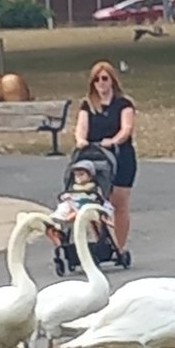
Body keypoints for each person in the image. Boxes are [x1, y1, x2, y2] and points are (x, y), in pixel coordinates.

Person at [74, 60, 136, 263]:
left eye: (104, 79)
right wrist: (81, 141)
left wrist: (114, 141)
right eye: (97, 80)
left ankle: (119, 245)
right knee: (93, 200)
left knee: (119, 202)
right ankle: (102, 241)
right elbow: (81, 129)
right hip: (95, 157)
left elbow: (126, 128)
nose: (101, 83)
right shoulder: (88, 105)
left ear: (111, 80)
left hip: (120, 156)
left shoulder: (123, 104)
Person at [49, 160, 113, 232]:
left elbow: (99, 198)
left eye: (81, 174)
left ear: (90, 176)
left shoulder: (94, 187)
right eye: (76, 175)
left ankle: (69, 217)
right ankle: (60, 215)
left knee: (82, 210)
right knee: (64, 205)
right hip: (75, 204)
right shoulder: (74, 188)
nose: (78, 177)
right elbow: (69, 196)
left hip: (89, 205)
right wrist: (67, 197)